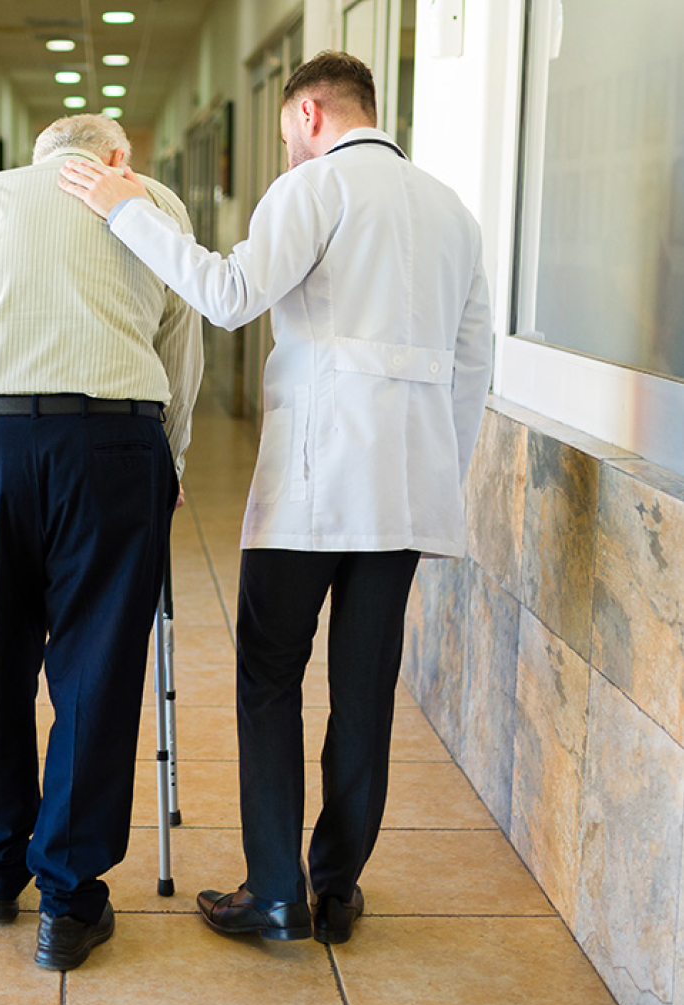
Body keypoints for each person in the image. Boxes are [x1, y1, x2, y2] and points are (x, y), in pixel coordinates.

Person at [60, 52, 493, 945]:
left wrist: (124, 210)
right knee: (365, 690)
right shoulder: (453, 212)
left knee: (269, 675)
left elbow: (226, 296)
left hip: (315, 483)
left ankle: (275, 892)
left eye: (288, 130)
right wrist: (440, 476)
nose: (288, 148)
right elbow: (475, 363)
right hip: (407, 489)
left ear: (307, 112)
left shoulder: (314, 190)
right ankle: (336, 889)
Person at [0, 114, 203, 971]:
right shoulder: (151, 203)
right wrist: (172, 459)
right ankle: (68, 904)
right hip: (114, 445)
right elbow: (180, 353)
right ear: (114, 158)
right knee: (97, 668)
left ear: (39, 159)